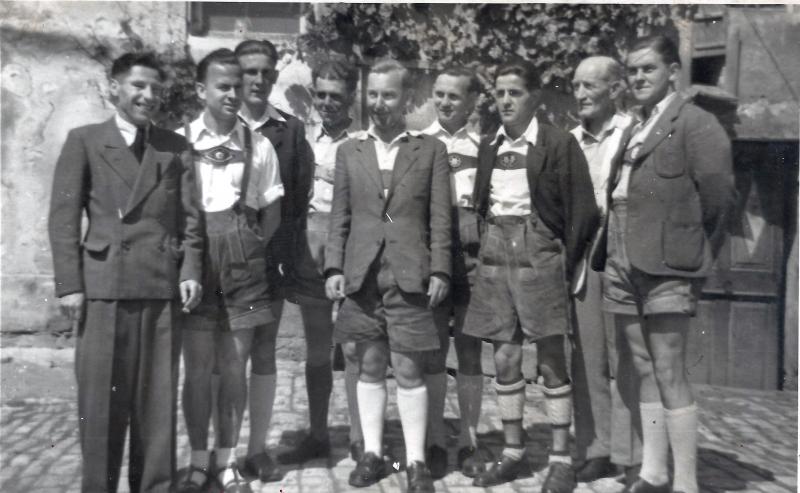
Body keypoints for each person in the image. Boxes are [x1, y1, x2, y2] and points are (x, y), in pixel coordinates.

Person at [48, 52, 203, 492]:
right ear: (114, 88)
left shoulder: (174, 147)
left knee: (156, 406)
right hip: (104, 289)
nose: (147, 96)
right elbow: (63, 217)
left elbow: (191, 220)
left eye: (155, 88)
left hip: (159, 287)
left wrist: (190, 270)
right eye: (138, 86)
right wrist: (70, 285)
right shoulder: (85, 140)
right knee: (100, 406)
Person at [593, 35, 734, 493]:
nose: (637, 78)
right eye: (632, 70)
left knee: (669, 367)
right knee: (641, 364)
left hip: (668, 264)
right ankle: (653, 473)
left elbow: (717, 198)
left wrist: (688, 250)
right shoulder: (634, 127)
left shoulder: (696, 123)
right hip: (621, 257)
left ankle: (686, 483)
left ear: (673, 72)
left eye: (648, 69)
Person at [463, 59, 598, 492]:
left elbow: (583, 211)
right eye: (500, 92)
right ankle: (513, 452)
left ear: (534, 98)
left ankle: (560, 459)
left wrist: (560, 261)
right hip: (494, 251)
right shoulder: (490, 143)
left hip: (539, 251)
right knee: (504, 356)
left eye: (515, 93)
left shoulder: (558, 143)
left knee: (551, 357)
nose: (505, 100)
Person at [325, 59, 451, 493]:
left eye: (389, 95)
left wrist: (440, 268)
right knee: (369, 364)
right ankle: (374, 454)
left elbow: (440, 217)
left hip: (409, 273)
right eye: (373, 95)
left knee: (410, 366)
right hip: (362, 275)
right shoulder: (350, 150)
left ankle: (416, 462)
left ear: (407, 99)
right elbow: (340, 216)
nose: (379, 103)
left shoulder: (430, 150)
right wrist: (335, 267)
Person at [178, 48, 284, 493]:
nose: (233, 94)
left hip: (244, 267)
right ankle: (197, 463)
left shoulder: (259, 145)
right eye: (223, 86)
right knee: (198, 369)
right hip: (196, 266)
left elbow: (273, 210)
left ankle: (226, 462)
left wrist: (249, 245)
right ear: (201, 90)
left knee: (235, 364)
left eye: (237, 86)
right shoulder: (179, 141)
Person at [233, 39, 313, 482]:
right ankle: (224, 454)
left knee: (264, 351)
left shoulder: (290, 131)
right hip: (224, 263)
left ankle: (257, 449)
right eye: (250, 71)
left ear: (275, 75)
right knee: (229, 356)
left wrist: (284, 258)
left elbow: (296, 203)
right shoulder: (221, 125)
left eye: (266, 71)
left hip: (269, 262)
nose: (259, 79)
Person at [276, 59, 363, 465]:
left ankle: (362, 439)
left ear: (352, 97)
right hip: (311, 244)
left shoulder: (362, 142)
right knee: (317, 349)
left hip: (352, 244)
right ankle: (317, 434)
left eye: (336, 96)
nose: (328, 103)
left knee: (355, 347)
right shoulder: (302, 138)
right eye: (321, 95)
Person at [568, 56, 643, 484]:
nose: (580, 94)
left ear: (615, 90)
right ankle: (596, 447)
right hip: (584, 256)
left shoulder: (633, 134)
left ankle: (633, 456)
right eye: (576, 86)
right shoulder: (570, 141)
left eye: (589, 86)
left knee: (627, 357)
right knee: (587, 356)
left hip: (623, 254)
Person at [420, 66, 487, 479]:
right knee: (431, 349)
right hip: (430, 254)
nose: (445, 102)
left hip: (471, 256)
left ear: (472, 102)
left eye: (454, 96)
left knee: (469, 349)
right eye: (439, 94)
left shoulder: (484, 147)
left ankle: (468, 439)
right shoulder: (418, 143)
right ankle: (433, 439)